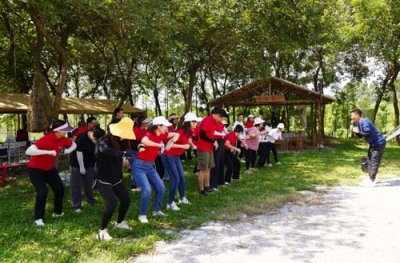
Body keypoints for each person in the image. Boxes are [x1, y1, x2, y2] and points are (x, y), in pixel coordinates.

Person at [25, 120, 77, 227]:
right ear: (57, 131)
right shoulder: (46, 139)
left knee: (59, 189)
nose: (66, 133)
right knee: (42, 191)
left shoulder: (62, 139)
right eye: (64, 131)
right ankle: (38, 218)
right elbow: (29, 151)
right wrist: (48, 152)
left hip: (49, 168)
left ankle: (58, 212)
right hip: (35, 169)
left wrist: (68, 151)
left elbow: (74, 144)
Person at [95, 117, 135, 241]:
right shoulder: (105, 139)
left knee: (126, 199)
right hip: (103, 177)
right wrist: (121, 154)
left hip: (116, 177)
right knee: (112, 203)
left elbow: (129, 149)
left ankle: (120, 223)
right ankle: (102, 231)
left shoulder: (121, 140)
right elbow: (104, 149)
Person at [133, 116, 179, 223]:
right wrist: (159, 145)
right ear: (158, 126)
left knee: (161, 188)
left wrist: (171, 141)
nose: (167, 128)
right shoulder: (148, 134)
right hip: (139, 166)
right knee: (147, 190)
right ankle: (142, 215)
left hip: (150, 166)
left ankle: (156, 211)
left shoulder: (162, 134)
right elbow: (144, 141)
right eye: (165, 126)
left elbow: (176, 134)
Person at [161, 112, 197, 211]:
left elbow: (188, 139)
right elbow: (169, 145)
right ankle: (170, 203)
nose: (195, 123)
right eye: (194, 122)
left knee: (181, 177)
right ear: (189, 122)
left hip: (175, 156)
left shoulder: (188, 131)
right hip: (168, 156)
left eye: (196, 122)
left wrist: (192, 145)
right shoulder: (180, 132)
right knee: (176, 178)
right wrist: (183, 146)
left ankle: (182, 198)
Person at [69, 125, 105, 212]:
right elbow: (79, 153)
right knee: (76, 185)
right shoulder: (82, 138)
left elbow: (95, 151)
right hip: (77, 163)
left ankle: (91, 200)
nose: (95, 140)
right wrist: (81, 167)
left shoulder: (96, 139)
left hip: (89, 163)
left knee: (88, 183)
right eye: (94, 138)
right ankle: (76, 205)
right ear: (92, 133)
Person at [350, 108, 386, 184]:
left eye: (352, 115)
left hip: (379, 143)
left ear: (357, 115)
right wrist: (354, 131)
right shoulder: (359, 123)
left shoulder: (364, 121)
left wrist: (357, 131)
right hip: (373, 143)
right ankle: (371, 178)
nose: (351, 117)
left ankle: (372, 179)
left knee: (374, 160)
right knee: (369, 159)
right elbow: (360, 136)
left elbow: (367, 133)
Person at [197, 107, 228, 196]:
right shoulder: (207, 120)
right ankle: (201, 189)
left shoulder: (214, 121)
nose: (221, 120)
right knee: (203, 169)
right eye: (221, 118)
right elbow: (202, 135)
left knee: (209, 168)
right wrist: (213, 141)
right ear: (218, 115)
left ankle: (207, 186)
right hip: (203, 148)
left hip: (209, 148)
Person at [129, 115, 151, 191]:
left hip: (140, 151)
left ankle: (136, 184)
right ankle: (135, 185)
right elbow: (132, 142)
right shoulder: (135, 130)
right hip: (132, 151)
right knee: (135, 167)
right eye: (147, 122)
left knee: (137, 167)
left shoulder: (145, 131)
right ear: (142, 123)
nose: (148, 123)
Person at [210, 110, 227, 191]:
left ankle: (221, 181)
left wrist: (225, 133)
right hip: (214, 142)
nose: (222, 119)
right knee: (215, 163)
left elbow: (224, 129)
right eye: (221, 117)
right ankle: (213, 184)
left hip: (220, 142)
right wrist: (222, 134)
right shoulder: (211, 122)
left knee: (221, 161)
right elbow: (212, 132)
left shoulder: (220, 122)